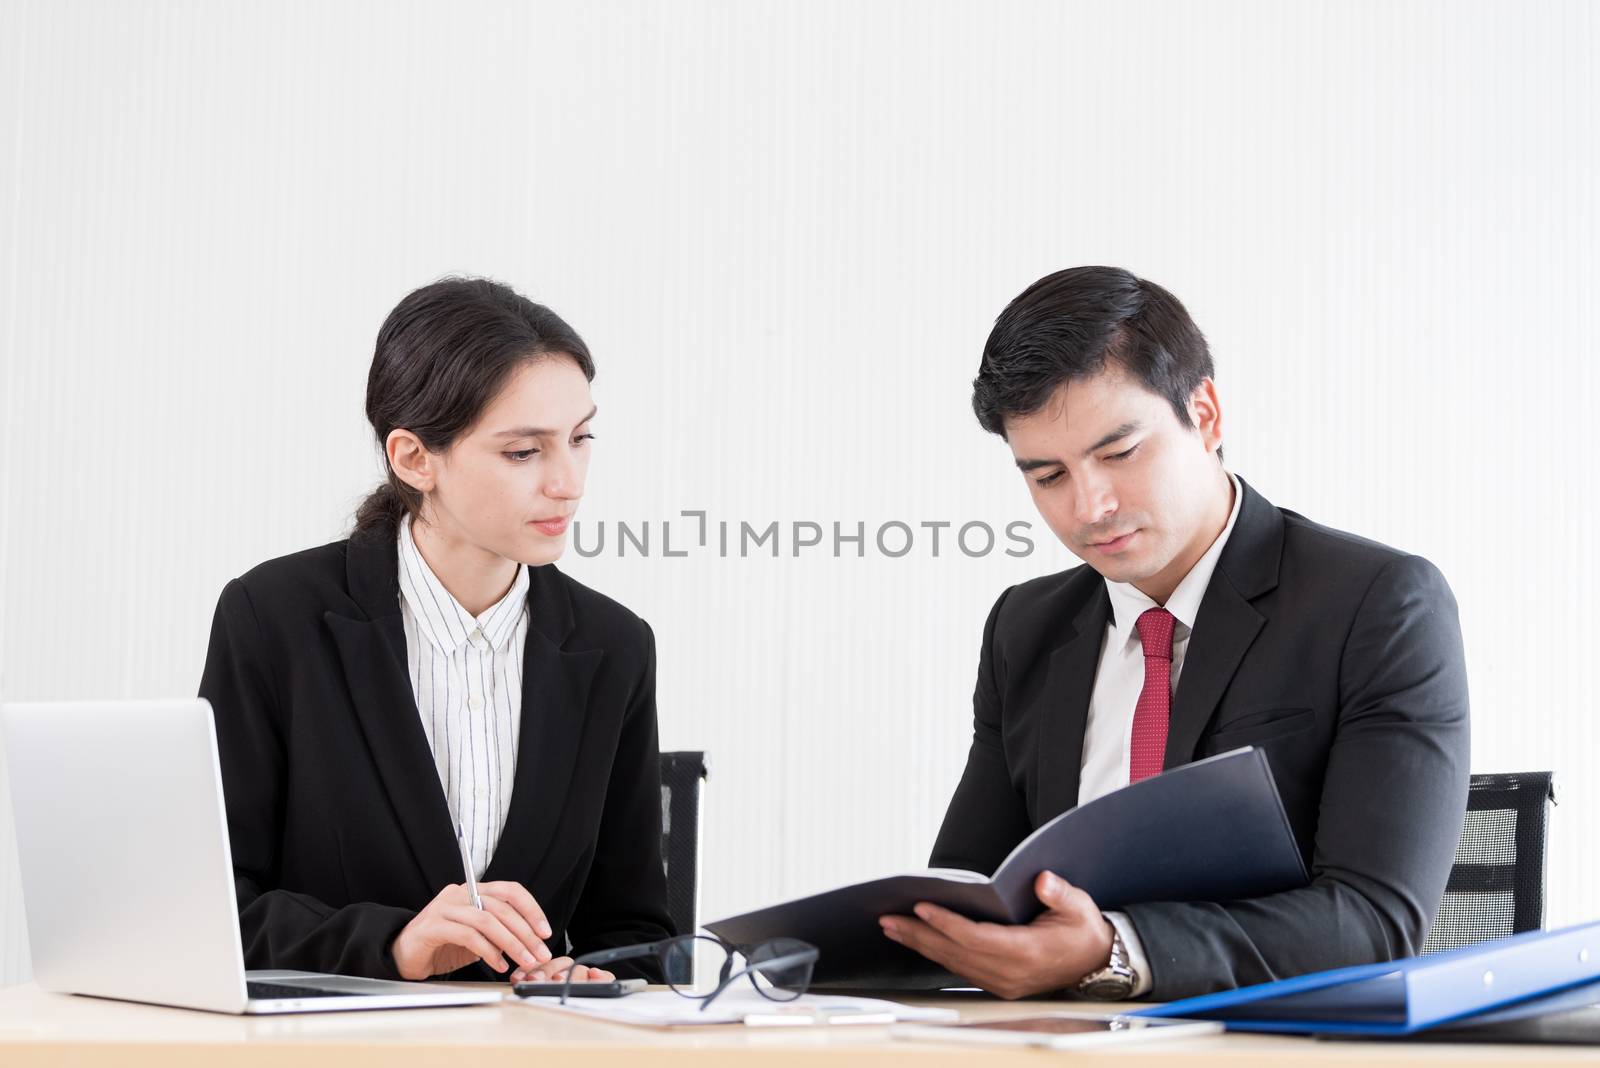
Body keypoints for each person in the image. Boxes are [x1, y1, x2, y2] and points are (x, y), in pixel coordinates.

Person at [879, 266, 1470, 1000]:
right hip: (1055, 1046)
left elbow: (1376, 921)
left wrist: (1115, 950)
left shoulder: (1375, 606)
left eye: (1119, 453)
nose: (1090, 506)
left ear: (1207, 414)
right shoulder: (1025, 629)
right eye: (1047, 476)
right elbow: (969, 891)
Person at [199, 278, 673, 984]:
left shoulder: (615, 647)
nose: (569, 482)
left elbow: (634, 931)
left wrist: (593, 977)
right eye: (524, 452)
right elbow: (210, 913)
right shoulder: (274, 618)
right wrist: (395, 944)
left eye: (580, 439)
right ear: (414, 458)